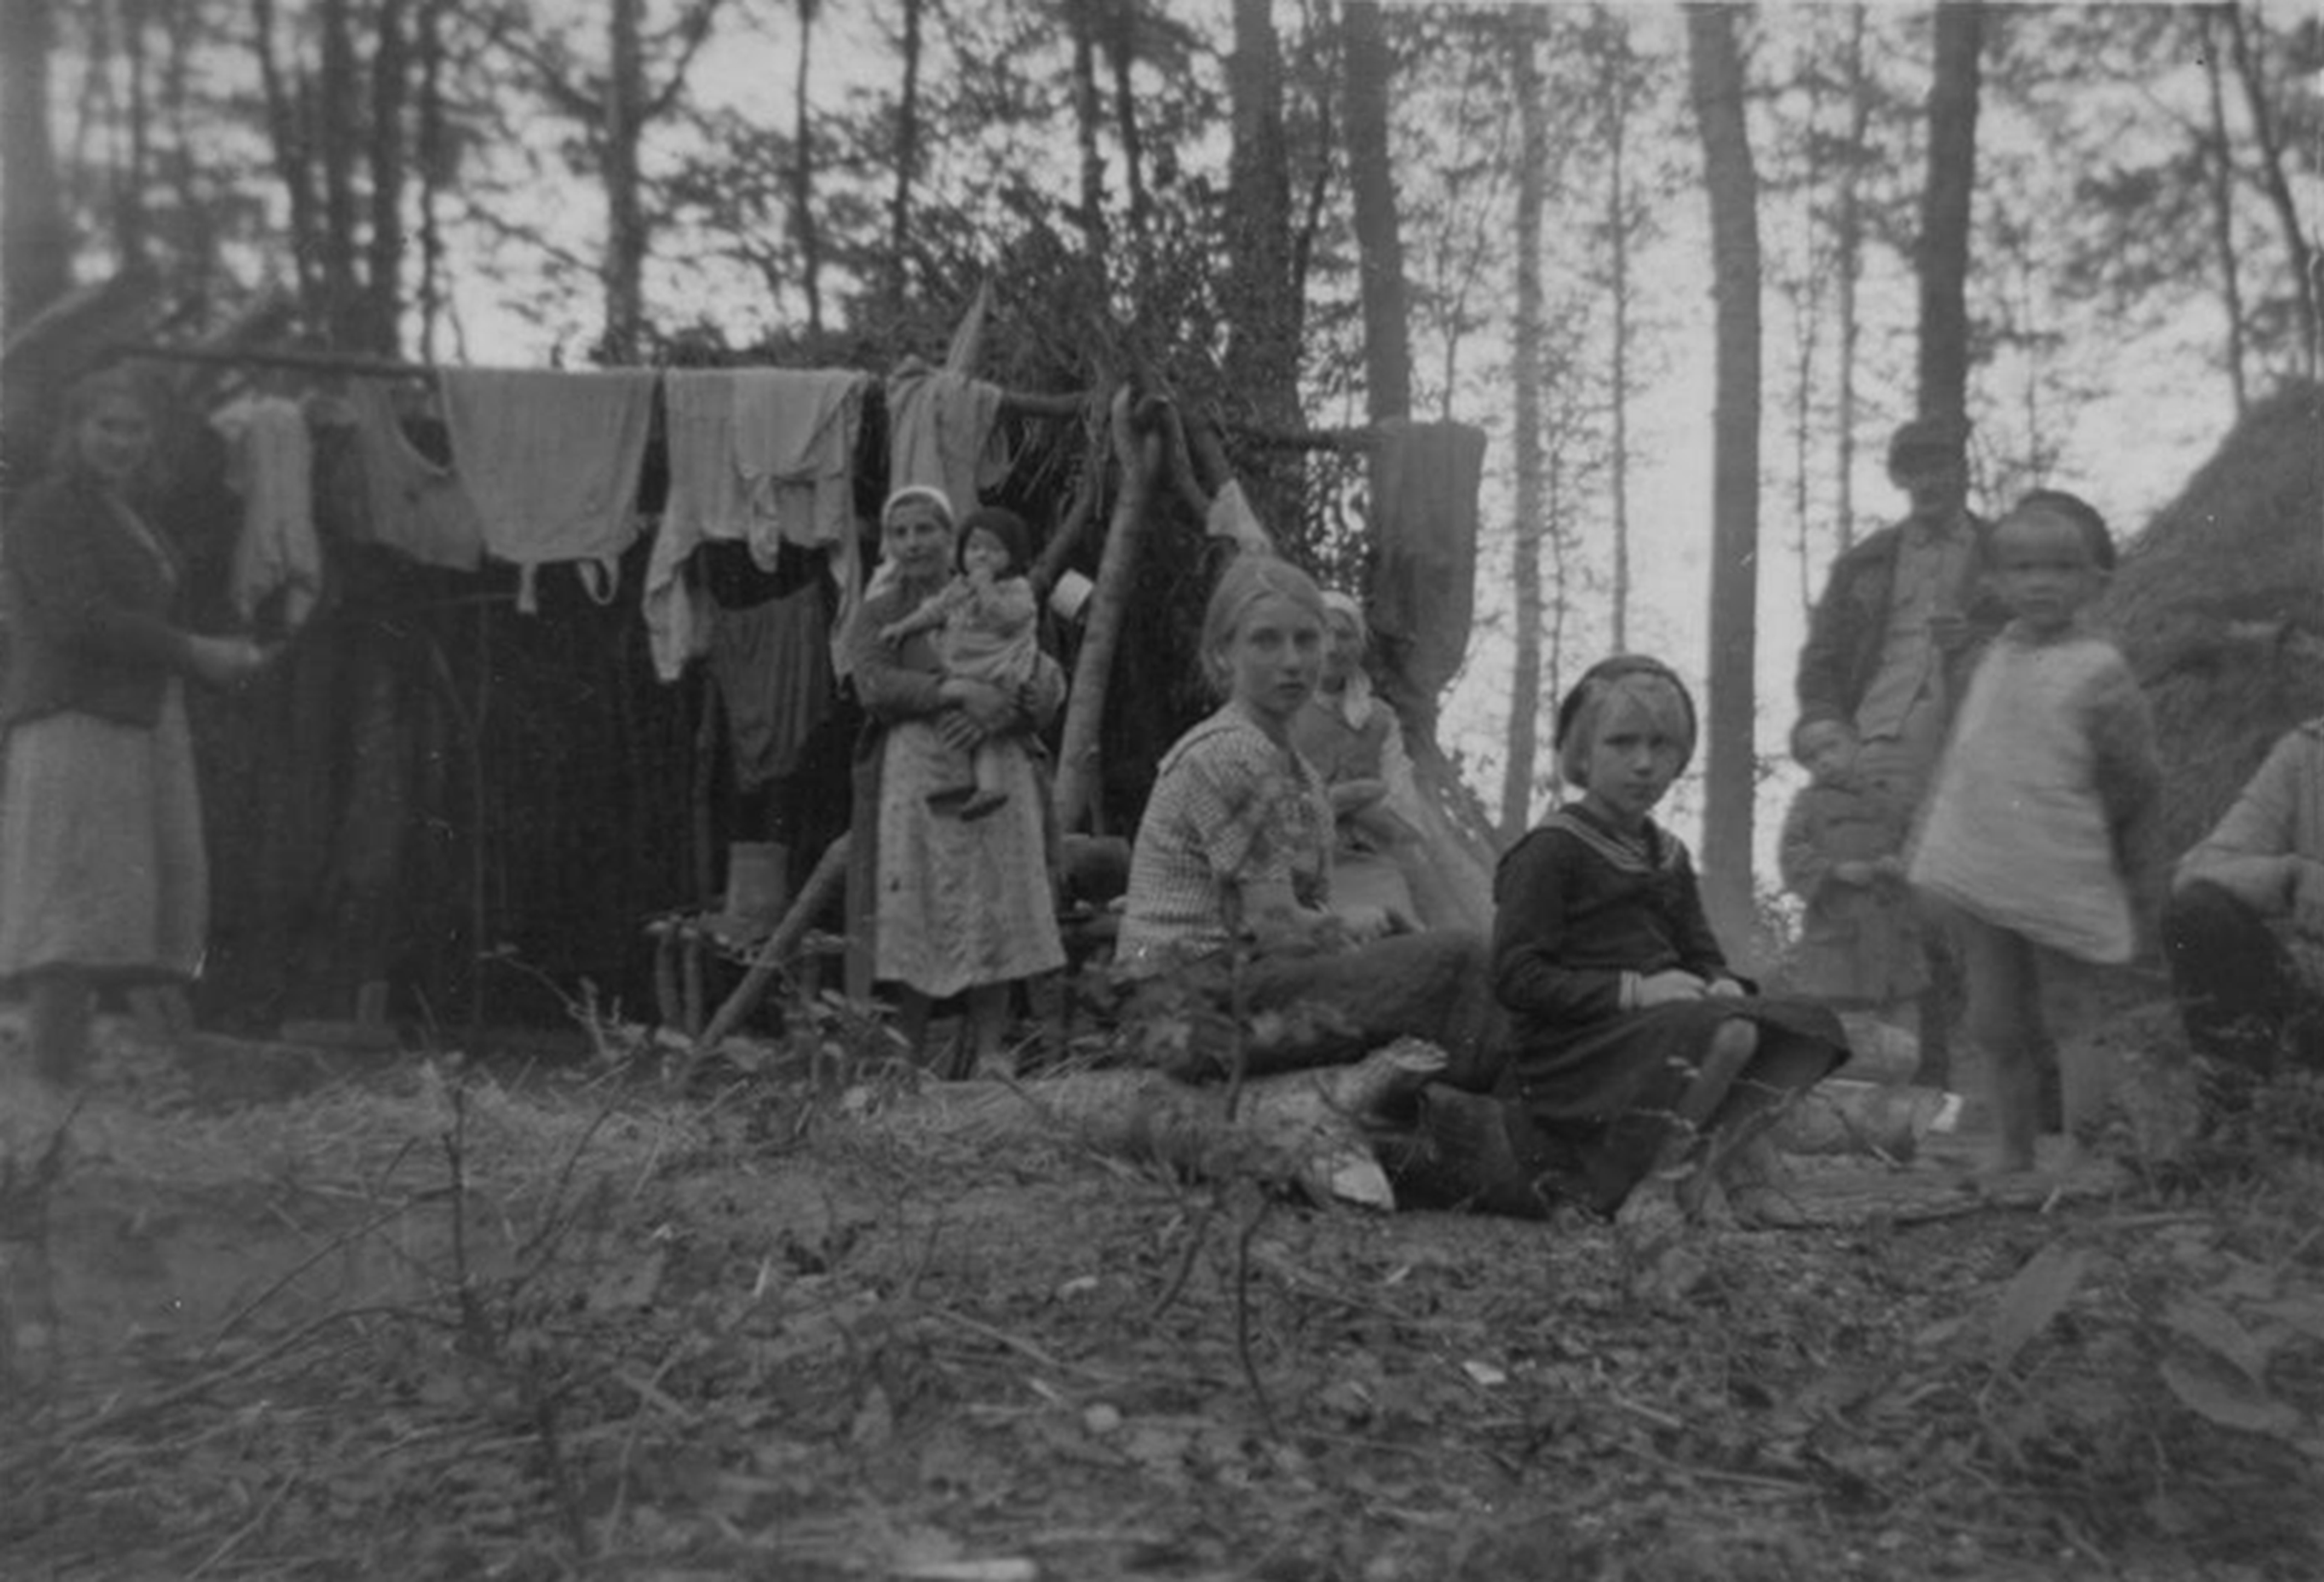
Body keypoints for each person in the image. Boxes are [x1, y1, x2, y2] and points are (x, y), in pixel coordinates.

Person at [1485, 656, 1850, 1225]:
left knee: (1812, 1027)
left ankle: (1704, 1166)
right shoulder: (1553, 850)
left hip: (1663, 1025)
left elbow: (1700, 952)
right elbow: (1515, 976)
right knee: (1730, 1034)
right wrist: (1635, 991)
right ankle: (1657, 1185)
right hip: (1575, 1046)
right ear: (1581, 754)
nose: (1644, 764)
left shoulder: (1669, 855)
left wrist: (1719, 980)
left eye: (1662, 746)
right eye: (1622, 744)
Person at [1114, 553, 1501, 1086]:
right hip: (1183, 1007)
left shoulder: (1294, 768)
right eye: (1266, 641)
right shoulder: (1231, 752)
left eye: (1307, 639)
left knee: (1436, 967)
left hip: (1235, 988)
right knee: (1457, 959)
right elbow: (1272, 925)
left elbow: (1293, 922)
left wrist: (1371, 932)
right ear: (1223, 654)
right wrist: (1355, 926)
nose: (1292, 660)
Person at [0, 368, 269, 1084]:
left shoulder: (131, 512)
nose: (122, 441)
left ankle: (89, 1082)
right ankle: (52, 1095)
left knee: (114, 907)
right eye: (106, 426)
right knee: (68, 908)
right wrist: (194, 650)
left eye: (135, 428)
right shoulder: (48, 508)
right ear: (74, 431)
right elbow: (77, 618)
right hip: (73, 718)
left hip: (135, 717)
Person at [1908, 490, 2164, 1177]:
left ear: (2092, 581)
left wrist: (2084, 835)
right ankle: (2012, 1146)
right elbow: (1973, 764)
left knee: (2072, 1010)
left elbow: (2134, 774)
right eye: (2022, 569)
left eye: (2059, 568)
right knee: (1994, 1018)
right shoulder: (1992, 661)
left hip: (2061, 864)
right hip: (1988, 868)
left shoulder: (2100, 670)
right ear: (1995, 582)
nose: (2040, 582)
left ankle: (2085, 1150)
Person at [1796, 416, 2003, 1085]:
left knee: (1981, 896)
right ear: (1898, 478)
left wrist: (1972, 639)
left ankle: (2005, 1079)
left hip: (1981, 738)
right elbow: (1822, 659)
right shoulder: (1868, 561)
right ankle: (1918, 1075)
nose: (1929, 480)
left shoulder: (2005, 554)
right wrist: (1829, 730)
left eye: (1941, 464)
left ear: (1962, 469)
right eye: (1914, 468)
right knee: (1894, 892)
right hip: (1882, 736)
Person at [842, 485, 1066, 1076]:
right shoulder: (883, 609)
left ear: (954, 537)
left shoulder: (1005, 594)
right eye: (901, 532)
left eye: (927, 529)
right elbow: (873, 684)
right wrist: (954, 692)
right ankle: (905, 1059)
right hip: (916, 777)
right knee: (916, 910)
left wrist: (1001, 709)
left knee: (994, 905)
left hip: (996, 768)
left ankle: (991, 1050)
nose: (914, 542)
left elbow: (1041, 677)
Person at [2164, 718, 2324, 1082]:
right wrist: (2291, 877)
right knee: (2198, 914)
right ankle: (2236, 1119)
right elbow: (2199, 869)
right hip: (2317, 998)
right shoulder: (2309, 752)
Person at [876, 505, 1040, 822]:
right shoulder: (955, 590)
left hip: (997, 672)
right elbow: (934, 612)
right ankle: (970, 785)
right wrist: (902, 628)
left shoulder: (1017, 590)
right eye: (975, 548)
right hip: (957, 686)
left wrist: (985, 588)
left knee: (986, 731)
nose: (981, 557)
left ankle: (988, 788)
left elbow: (1009, 623)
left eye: (993, 550)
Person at [1777, 713, 1927, 1037]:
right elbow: (1791, 856)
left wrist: (1901, 864)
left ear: (1856, 744)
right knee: (1843, 1033)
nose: (1824, 761)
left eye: (1831, 747)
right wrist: (1835, 872)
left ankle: (1901, 1080)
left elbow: (1917, 842)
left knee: (1902, 1026)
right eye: (1811, 757)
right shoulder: (1808, 805)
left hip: (1894, 932)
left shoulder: (1889, 799)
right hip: (1839, 936)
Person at [1287, 591, 1422, 928]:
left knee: (1405, 941)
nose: (1333, 647)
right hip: (1295, 866)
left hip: (1368, 863)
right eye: (1323, 635)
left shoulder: (1380, 719)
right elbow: (1268, 809)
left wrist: (1346, 805)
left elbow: (1402, 820)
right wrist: (1351, 797)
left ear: (1360, 645)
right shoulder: (1280, 709)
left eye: (1345, 636)